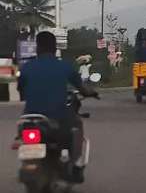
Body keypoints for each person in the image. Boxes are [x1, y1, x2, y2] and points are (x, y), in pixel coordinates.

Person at [17, 31, 92, 183]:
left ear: (38, 47)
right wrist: (90, 92)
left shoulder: (26, 67)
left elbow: (21, 91)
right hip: (57, 119)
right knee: (76, 125)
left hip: (30, 119)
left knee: (23, 135)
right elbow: (82, 88)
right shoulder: (64, 66)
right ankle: (76, 166)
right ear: (54, 47)